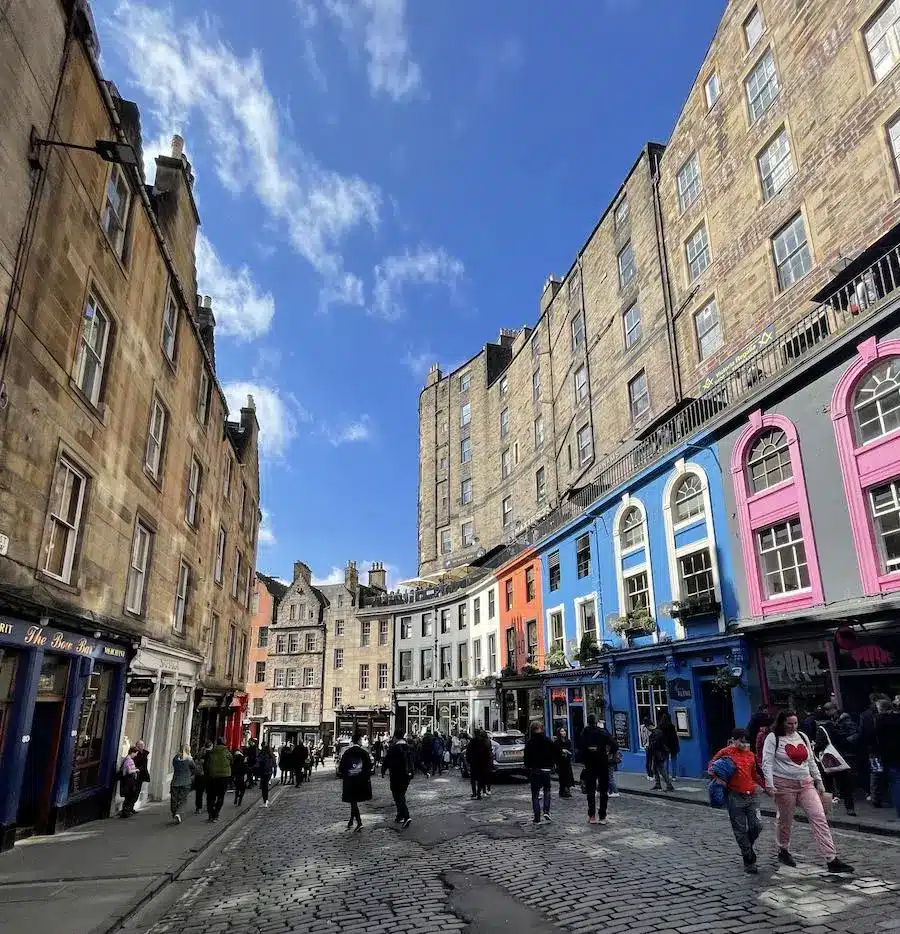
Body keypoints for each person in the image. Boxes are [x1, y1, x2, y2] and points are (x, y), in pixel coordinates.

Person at [762, 710, 853, 873]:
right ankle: (783, 849)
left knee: (819, 818)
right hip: (783, 785)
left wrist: (819, 781)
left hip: (806, 783)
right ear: (782, 722)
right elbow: (767, 762)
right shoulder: (773, 738)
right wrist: (769, 784)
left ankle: (831, 858)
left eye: (795, 723)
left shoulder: (802, 736)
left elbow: (810, 760)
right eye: (789, 723)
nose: (793, 726)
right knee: (785, 819)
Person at [708, 728, 764, 873]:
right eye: (741, 741)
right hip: (734, 796)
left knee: (757, 825)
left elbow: (754, 774)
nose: (744, 744)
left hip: (752, 795)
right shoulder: (725, 752)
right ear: (733, 740)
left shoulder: (751, 755)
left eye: (746, 741)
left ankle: (747, 847)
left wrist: (764, 785)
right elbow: (711, 768)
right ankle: (749, 859)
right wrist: (718, 779)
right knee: (739, 830)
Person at [815, 701, 859, 816]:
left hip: (828, 760)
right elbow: (843, 740)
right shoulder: (836, 725)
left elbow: (820, 744)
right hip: (839, 758)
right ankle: (850, 808)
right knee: (845, 785)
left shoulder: (821, 729)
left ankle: (827, 809)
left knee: (827, 785)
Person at [579, 714, 618, 825]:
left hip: (590, 764)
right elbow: (614, 745)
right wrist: (608, 753)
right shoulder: (603, 732)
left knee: (590, 790)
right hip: (602, 763)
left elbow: (580, 749)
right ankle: (602, 816)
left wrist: (585, 759)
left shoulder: (584, 732)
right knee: (603, 791)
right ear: (596, 722)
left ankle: (591, 816)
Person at [338, 731, 373, 831]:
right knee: (354, 802)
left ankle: (358, 822)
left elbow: (341, 767)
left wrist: (344, 775)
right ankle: (353, 821)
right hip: (361, 780)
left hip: (350, 780)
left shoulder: (347, 752)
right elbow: (369, 766)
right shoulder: (364, 752)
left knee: (353, 801)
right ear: (358, 740)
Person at [524, 723, 555, 824]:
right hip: (546, 770)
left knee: (535, 794)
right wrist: (551, 766)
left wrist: (528, 768)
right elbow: (553, 755)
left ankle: (537, 817)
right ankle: (546, 811)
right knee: (547, 790)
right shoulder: (548, 741)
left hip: (535, 770)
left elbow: (526, 758)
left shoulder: (530, 742)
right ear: (542, 729)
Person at [381, 729, 413, 828]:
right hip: (407, 775)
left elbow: (386, 760)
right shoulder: (408, 747)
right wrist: (425, 771)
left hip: (396, 775)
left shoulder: (394, 748)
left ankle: (406, 816)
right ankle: (399, 816)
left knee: (398, 796)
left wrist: (383, 771)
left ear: (395, 737)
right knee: (401, 794)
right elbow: (415, 760)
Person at [874, 697, 900, 818]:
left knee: (895, 781)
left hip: (886, 755)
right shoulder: (896, 719)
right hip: (894, 753)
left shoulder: (877, 720)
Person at [204, 736, 232, 822]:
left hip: (212, 777)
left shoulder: (212, 752)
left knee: (210, 797)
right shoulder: (227, 752)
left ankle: (210, 814)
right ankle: (216, 814)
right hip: (224, 777)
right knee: (220, 796)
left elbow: (206, 765)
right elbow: (232, 761)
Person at [170, 744, 196, 824]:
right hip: (185, 782)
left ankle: (174, 812)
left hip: (175, 781)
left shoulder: (175, 758)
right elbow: (194, 768)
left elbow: (174, 765)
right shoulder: (189, 760)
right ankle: (178, 813)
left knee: (174, 799)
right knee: (182, 800)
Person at [646, 722, 675, 791]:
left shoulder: (657, 733)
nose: (647, 729)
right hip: (658, 754)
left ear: (650, 726)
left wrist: (649, 747)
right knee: (655, 769)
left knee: (662, 770)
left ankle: (669, 786)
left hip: (658, 754)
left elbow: (656, 744)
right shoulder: (657, 732)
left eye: (647, 727)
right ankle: (658, 784)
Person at [466, 729, 492, 800]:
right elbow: (487, 753)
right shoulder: (483, 742)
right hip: (482, 763)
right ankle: (479, 793)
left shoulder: (472, 742)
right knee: (480, 778)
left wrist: (469, 761)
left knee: (473, 779)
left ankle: (474, 793)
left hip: (474, 763)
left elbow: (468, 752)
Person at [119, 746, 140, 818]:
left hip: (129, 781)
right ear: (133, 752)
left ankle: (126, 811)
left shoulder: (128, 759)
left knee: (129, 796)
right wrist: (136, 770)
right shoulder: (128, 760)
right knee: (128, 796)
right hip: (128, 781)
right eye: (136, 753)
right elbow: (129, 771)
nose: (136, 755)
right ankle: (125, 812)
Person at [658, 711, 680, 781]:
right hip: (672, 745)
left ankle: (666, 775)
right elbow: (674, 737)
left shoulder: (660, 727)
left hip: (664, 746)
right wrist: (677, 745)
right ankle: (674, 776)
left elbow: (659, 737)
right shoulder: (672, 726)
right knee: (673, 760)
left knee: (665, 761)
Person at [554, 727, 575, 798]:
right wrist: (561, 751)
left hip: (567, 762)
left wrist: (568, 752)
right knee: (562, 777)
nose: (564, 732)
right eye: (562, 731)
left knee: (568, 776)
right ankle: (562, 791)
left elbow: (571, 750)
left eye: (564, 731)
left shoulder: (568, 741)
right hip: (560, 762)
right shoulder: (557, 742)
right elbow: (555, 752)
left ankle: (567, 790)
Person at [194, 742, 212, 814]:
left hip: (198, 775)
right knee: (209, 792)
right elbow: (209, 766)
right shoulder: (210, 755)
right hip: (207, 776)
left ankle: (198, 808)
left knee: (199, 793)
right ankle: (208, 806)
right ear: (210, 746)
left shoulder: (199, 754)